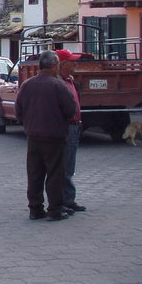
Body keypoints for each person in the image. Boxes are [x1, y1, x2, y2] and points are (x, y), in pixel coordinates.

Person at [14, 50, 77, 221]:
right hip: (54, 136)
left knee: (35, 174)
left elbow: (18, 110)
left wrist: (28, 124)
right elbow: (70, 110)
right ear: (55, 66)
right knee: (55, 174)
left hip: (33, 136)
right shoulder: (59, 86)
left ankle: (35, 209)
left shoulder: (27, 85)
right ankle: (55, 209)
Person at [55, 49, 86, 213]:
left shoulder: (69, 81)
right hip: (66, 127)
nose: (75, 64)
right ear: (62, 65)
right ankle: (63, 201)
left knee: (69, 166)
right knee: (64, 167)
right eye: (71, 62)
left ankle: (69, 199)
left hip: (74, 126)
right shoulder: (58, 83)